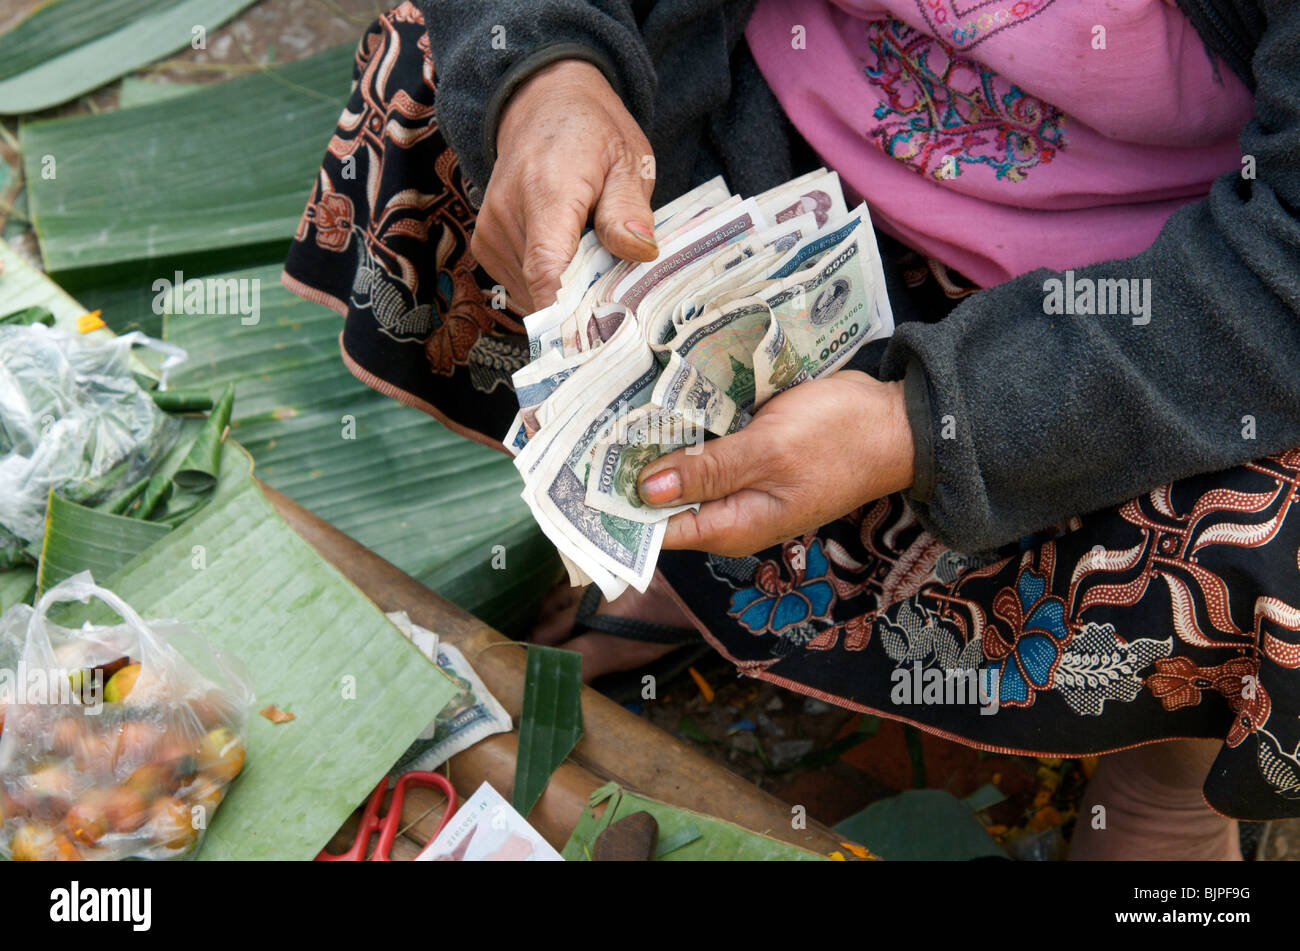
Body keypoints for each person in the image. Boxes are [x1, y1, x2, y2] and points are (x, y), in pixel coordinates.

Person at [282, 0, 1300, 859]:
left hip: (1171, 294)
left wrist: (922, 422)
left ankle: (1166, 767)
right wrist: (553, 71)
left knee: (1261, 526)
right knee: (468, 60)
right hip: (772, 137)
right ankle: (694, 555)